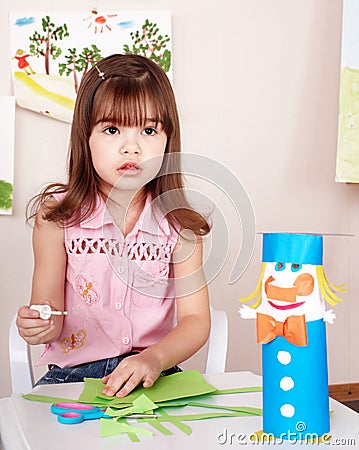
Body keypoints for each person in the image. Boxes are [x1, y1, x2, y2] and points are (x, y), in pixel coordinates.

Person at [16, 53, 211, 398]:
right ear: (85, 137)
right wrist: (40, 325)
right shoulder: (56, 218)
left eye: (149, 130)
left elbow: (196, 321)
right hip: (72, 378)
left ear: (168, 140)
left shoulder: (181, 226)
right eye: (112, 129)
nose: (132, 146)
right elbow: (50, 312)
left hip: (157, 374)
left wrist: (155, 358)